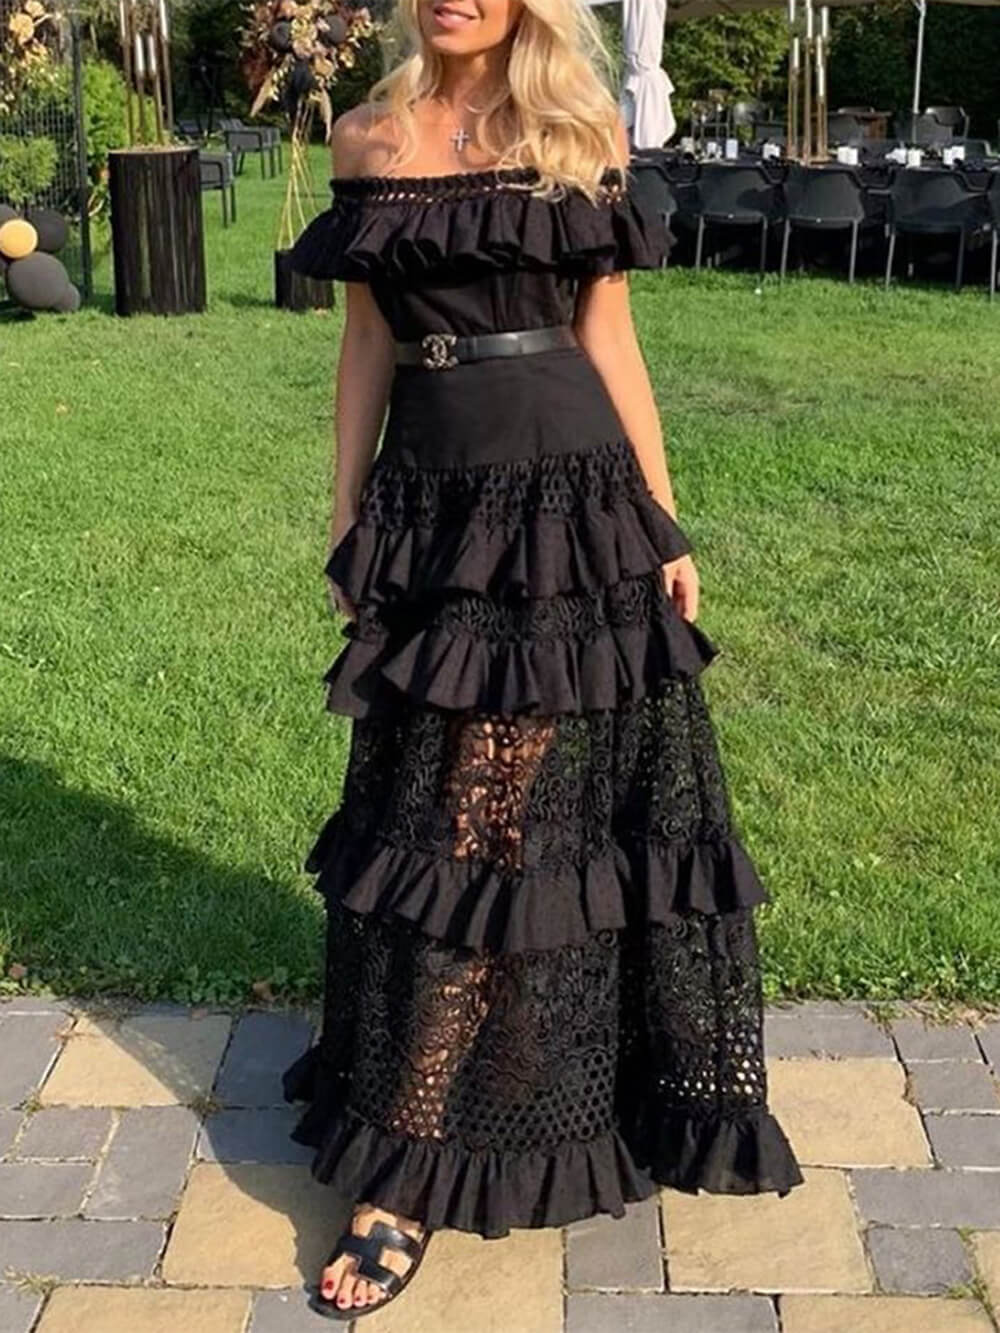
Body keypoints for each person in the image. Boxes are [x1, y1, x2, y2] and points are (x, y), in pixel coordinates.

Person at [282, 0, 805, 1319]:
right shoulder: (367, 137)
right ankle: (468, 1086)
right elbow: (366, 340)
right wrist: (346, 518)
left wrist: (661, 517)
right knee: (448, 815)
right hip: (434, 507)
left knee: (482, 817)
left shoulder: (578, 128)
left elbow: (607, 334)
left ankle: (407, 1162)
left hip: (570, 500)